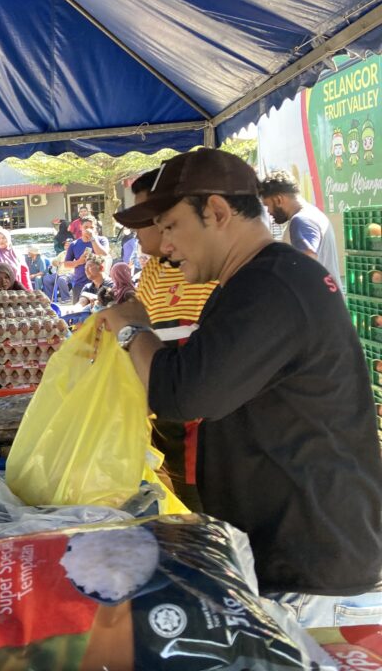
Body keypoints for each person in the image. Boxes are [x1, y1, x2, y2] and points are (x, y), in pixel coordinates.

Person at [102, 147, 382, 627]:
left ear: (216, 212)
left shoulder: (272, 284)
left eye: (170, 226)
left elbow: (180, 393)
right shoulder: (257, 281)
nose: (164, 245)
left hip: (310, 565)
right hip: (292, 552)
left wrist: (133, 330)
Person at [126, 167, 219, 511]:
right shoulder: (153, 270)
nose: (135, 231)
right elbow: (144, 330)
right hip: (164, 430)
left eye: (148, 219)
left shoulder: (205, 273)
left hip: (200, 440)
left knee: (199, 514)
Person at [259, 170, 342, 286]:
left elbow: (306, 261)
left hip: (316, 302)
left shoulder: (300, 221)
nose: (269, 212)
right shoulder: (313, 214)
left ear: (278, 200)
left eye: (267, 205)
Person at [65, 217, 110, 302]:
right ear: (81, 228)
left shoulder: (101, 240)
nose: (89, 230)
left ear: (95, 228)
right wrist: (79, 262)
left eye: (92, 227)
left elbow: (103, 254)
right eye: (86, 227)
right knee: (78, 312)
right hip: (80, 284)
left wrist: (93, 238)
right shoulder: (74, 244)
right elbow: (66, 264)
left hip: (99, 284)